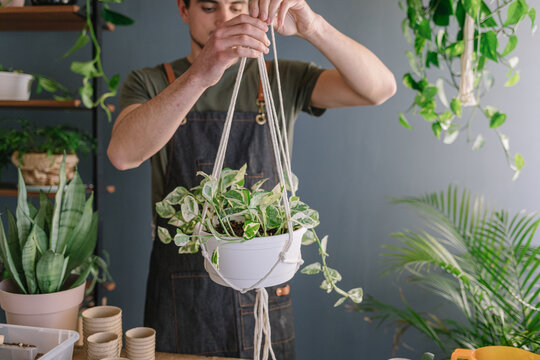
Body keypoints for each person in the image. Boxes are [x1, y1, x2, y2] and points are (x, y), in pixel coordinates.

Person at [107, 0, 396, 358]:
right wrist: (202, 73)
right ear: (184, 10)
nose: (225, 19)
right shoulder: (150, 82)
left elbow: (380, 89)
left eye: (236, 6)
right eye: (210, 7)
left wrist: (312, 27)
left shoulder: (279, 79)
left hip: (265, 289)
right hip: (182, 293)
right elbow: (122, 154)